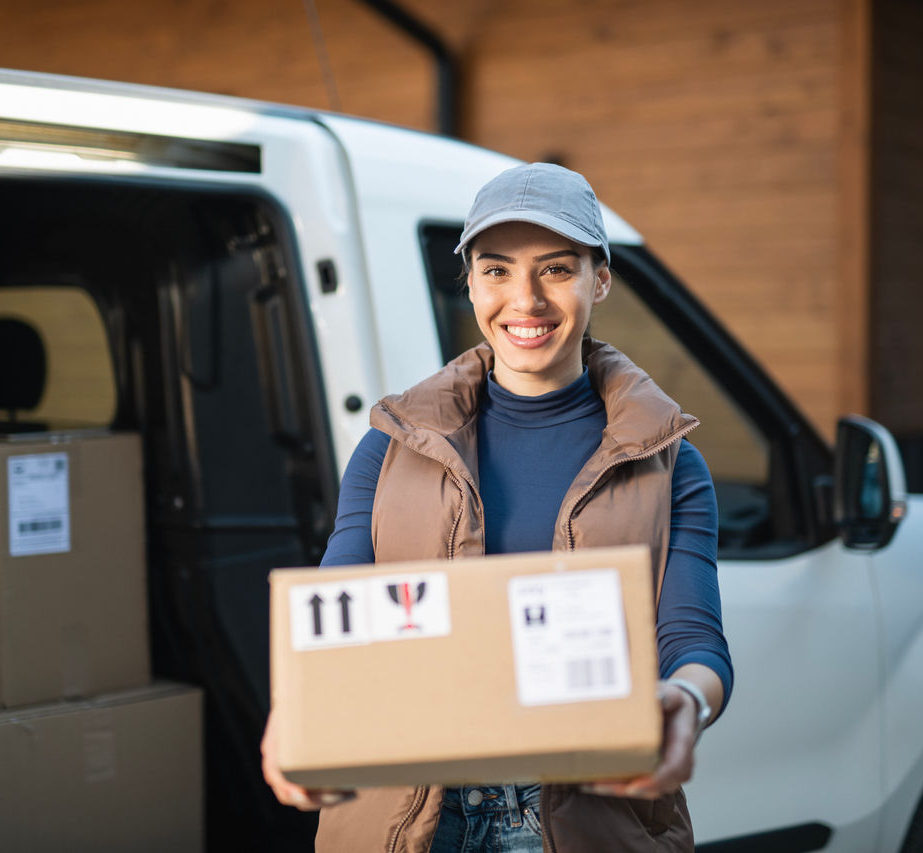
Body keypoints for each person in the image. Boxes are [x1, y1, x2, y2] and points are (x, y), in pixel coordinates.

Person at [263, 162, 732, 852]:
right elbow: (339, 619)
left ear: (600, 278)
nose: (526, 299)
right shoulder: (392, 448)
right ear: (472, 282)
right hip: (409, 814)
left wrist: (686, 700)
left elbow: (693, 641)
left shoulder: (668, 462)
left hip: (584, 815)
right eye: (497, 270)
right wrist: (299, 709)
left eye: (557, 269)